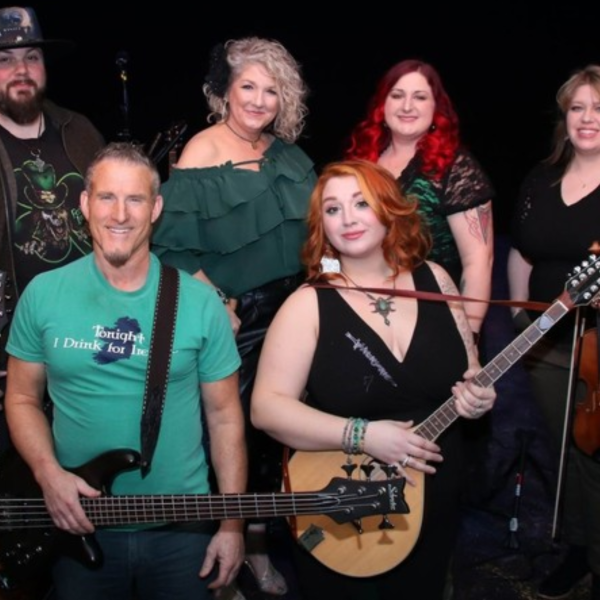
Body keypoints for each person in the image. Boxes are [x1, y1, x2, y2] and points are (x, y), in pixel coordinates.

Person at [4, 142, 246, 600]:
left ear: (155, 209)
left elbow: (225, 418)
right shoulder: (43, 293)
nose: (120, 214)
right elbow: (20, 398)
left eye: (135, 199)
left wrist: (232, 525)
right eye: (107, 197)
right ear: (84, 204)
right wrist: (48, 474)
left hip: (181, 527)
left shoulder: (199, 304)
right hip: (76, 522)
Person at [251, 159, 496, 600]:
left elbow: (470, 369)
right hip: (348, 500)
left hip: (435, 488)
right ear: (322, 226)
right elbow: (266, 409)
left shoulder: (437, 280)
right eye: (333, 209)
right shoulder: (308, 304)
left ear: (389, 208)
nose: (347, 218)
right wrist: (363, 435)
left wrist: (479, 396)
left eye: (361, 203)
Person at [152, 36, 316, 598]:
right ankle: (226, 551)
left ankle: (260, 548)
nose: (258, 100)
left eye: (272, 90)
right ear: (224, 91)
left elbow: (316, 232)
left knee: (279, 441)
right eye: (248, 86)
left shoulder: (287, 154)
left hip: (298, 312)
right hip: (238, 320)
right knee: (234, 439)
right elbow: (171, 248)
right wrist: (215, 303)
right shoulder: (201, 152)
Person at [508, 65, 600, 600]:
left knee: (595, 454)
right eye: (578, 107)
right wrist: (521, 321)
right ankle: (578, 549)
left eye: (599, 108)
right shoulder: (540, 179)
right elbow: (522, 252)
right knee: (564, 451)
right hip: (543, 342)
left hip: (597, 351)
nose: (587, 118)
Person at [0, 6, 104, 438]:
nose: (21, 70)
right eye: (5, 60)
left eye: (32, 57)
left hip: (94, 332)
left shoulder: (79, 130)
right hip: (17, 346)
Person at [347, 59, 493, 339]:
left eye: (420, 97)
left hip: (434, 322)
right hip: (365, 316)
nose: (407, 106)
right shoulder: (360, 162)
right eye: (397, 95)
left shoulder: (456, 168)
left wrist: (468, 336)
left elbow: (478, 262)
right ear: (382, 104)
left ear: (436, 107)